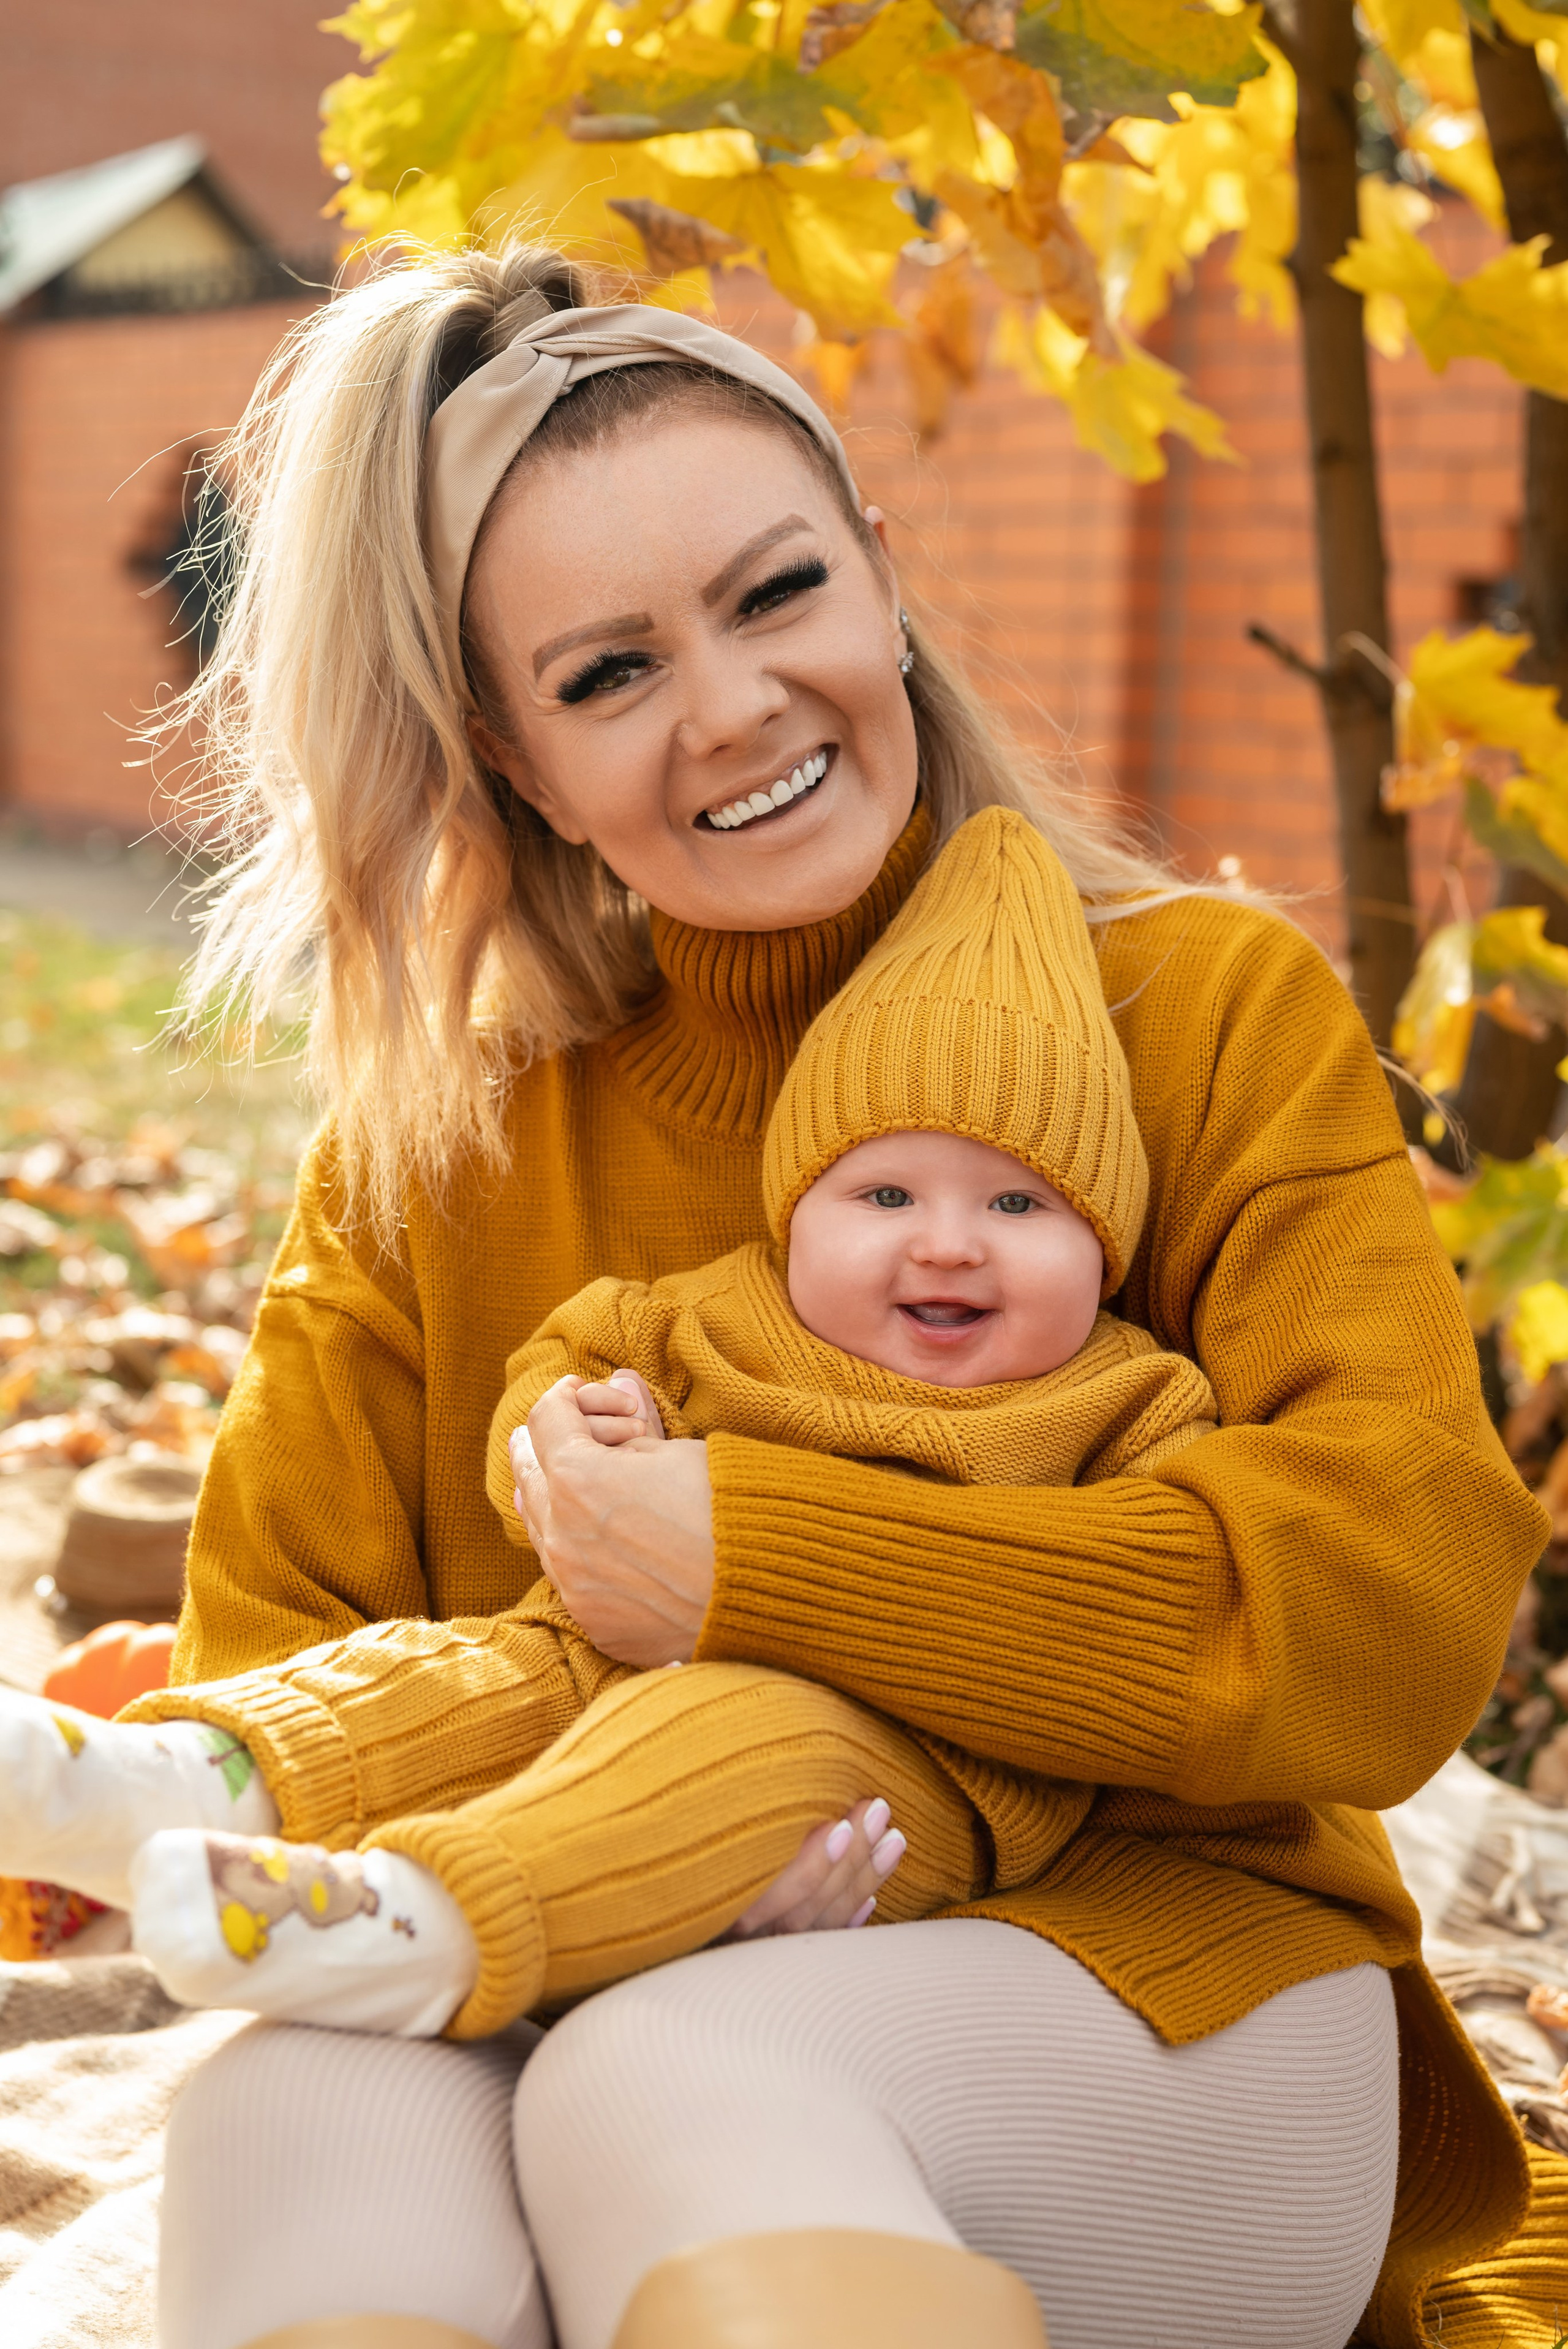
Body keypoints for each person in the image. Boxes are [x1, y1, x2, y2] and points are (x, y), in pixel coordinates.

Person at [4, 238, 1560, 2349]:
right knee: (293, 2102)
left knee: (692, 2067)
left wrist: (755, 1562)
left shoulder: (1198, 1009)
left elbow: (1395, 1620)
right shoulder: (446, 1141)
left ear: (883, 576)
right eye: (608, 672)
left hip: (1177, 1985)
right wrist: (648, 1867)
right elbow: (292, 1658)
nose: (734, 706)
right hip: (561, 1961)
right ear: (511, 752)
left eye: (776, 593)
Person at [107, 804, 1234, 2038]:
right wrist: (574, 1429)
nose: (948, 1242)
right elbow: (566, 1367)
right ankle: (189, 1778)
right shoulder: (725, 1316)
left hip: (899, 1764)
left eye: (1020, 1202)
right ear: (797, 1215)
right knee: (479, 1675)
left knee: (732, 1747)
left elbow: (1174, 1591)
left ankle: (416, 1925)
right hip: (597, 1661)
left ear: (1104, 1239)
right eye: (886, 1191)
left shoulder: (1126, 1398)